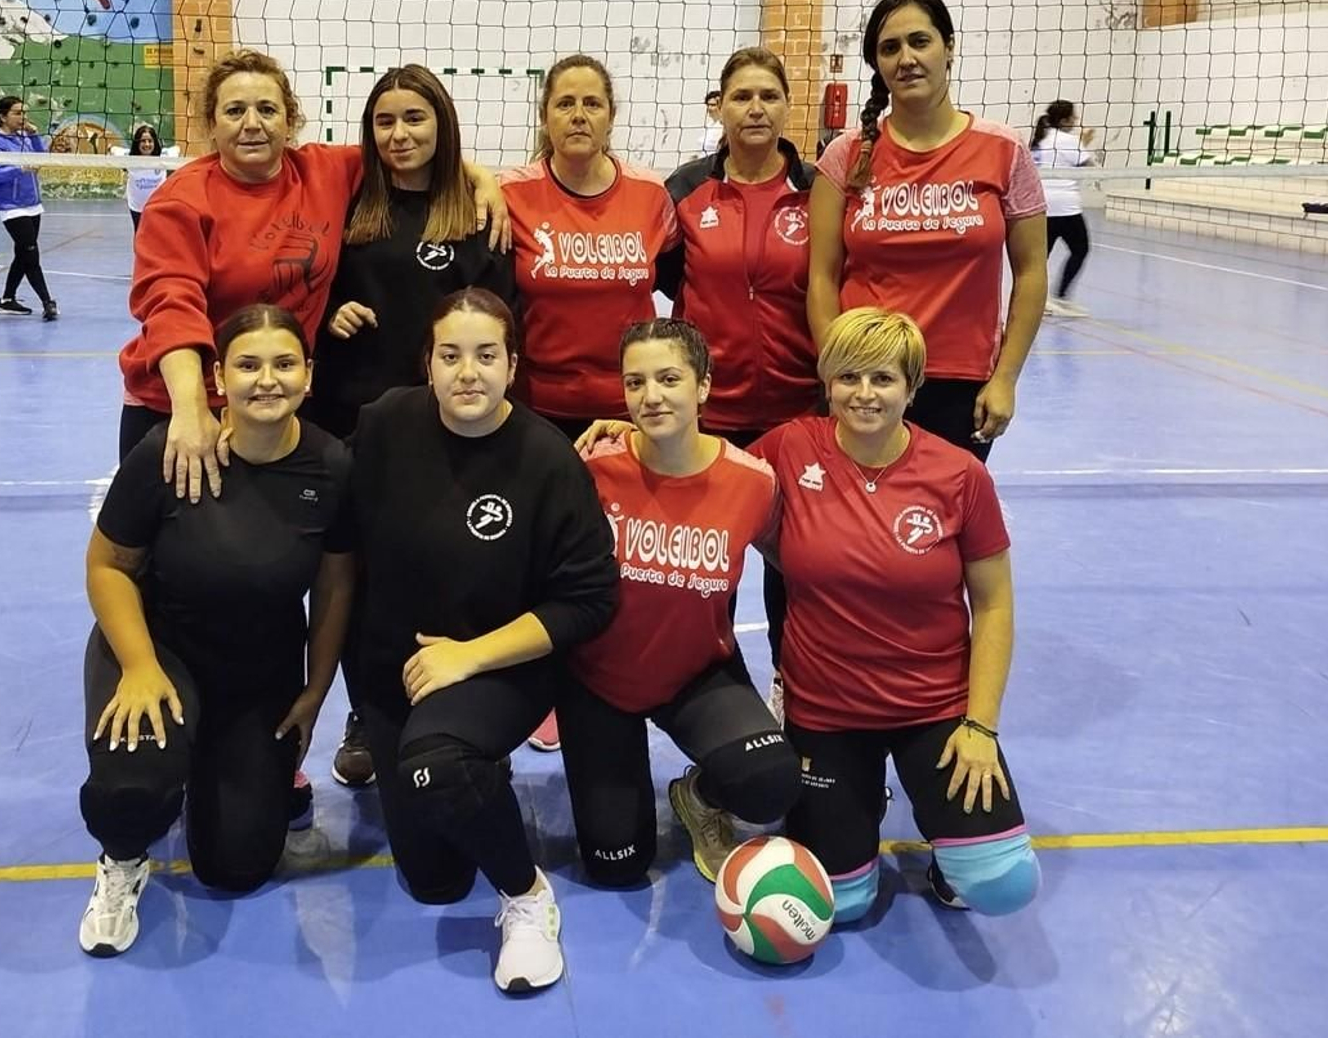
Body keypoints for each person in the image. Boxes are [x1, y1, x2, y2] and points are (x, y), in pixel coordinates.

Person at [348, 288, 617, 994]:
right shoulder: (383, 427)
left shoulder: (547, 460)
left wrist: (468, 655)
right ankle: (465, 769)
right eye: (451, 355)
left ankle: (527, 897)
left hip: (501, 665)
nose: (468, 372)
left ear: (513, 364)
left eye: (486, 355)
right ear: (427, 365)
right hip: (393, 671)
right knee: (435, 881)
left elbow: (588, 602)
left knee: (436, 766)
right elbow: (333, 531)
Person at [77, 304, 354, 957]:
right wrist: (140, 665)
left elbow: (336, 585)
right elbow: (107, 566)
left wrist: (316, 690)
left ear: (308, 376)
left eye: (284, 364)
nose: (267, 380)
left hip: (257, 672)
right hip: (160, 649)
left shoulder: (332, 468)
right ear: (218, 378)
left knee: (237, 867)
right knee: (135, 785)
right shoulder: (168, 451)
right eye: (248, 365)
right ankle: (122, 859)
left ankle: (206, 760)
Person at [750, 307, 1039, 923]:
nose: (863, 394)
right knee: (841, 905)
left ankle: (948, 838)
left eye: (882, 378)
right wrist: (626, 432)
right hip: (827, 713)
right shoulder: (789, 447)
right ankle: (860, 797)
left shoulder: (960, 475)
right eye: (847, 377)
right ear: (827, 383)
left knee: (1002, 884)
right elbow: (704, 473)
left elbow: (994, 604)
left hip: (932, 707)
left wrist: (981, 727)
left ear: (912, 388)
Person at [118, 48, 509, 502]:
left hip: (275, 403)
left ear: (290, 121)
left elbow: (410, 149)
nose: (252, 123)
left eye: (266, 109)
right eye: (234, 110)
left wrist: (483, 179)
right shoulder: (180, 203)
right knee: (170, 557)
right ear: (211, 123)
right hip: (180, 403)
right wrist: (190, 410)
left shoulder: (324, 171)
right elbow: (171, 306)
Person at [311, 64, 516, 789]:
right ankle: (366, 710)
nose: (400, 134)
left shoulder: (477, 212)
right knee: (359, 577)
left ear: (443, 125)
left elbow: (500, 318)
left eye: (415, 119)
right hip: (351, 421)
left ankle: (452, 697)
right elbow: (312, 280)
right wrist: (327, 311)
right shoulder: (345, 199)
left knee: (444, 567)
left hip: (448, 426)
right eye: (385, 121)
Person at [562, 318, 799, 887]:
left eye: (669, 378)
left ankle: (697, 795)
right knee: (616, 864)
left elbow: (799, 569)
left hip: (697, 674)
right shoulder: (589, 469)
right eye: (635, 382)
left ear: (704, 386)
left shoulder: (754, 483)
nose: (651, 396)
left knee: (768, 782)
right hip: (597, 682)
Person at [500, 53, 678, 751]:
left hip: (629, 410)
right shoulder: (510, 194)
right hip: (540, 408)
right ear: (544, 117)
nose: (578, 115)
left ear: (611, 115)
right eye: (564, 103)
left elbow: (680, 288)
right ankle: (543, 683)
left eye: (591, 103)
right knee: (541, 554)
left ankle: (612, 678)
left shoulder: (651, 197)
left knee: (620, 558)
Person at [807, 0, 1048, 461]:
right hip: (866, 382)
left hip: (961, 383)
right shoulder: (846, 156)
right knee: (856, 527)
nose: (907, 59)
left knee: (940, 528)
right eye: (890, 48)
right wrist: (837, 373)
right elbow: (821, 276)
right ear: (876, 63)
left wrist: (1005, 378)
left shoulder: (1004, 151)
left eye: (920, 42)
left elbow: (1032, 272)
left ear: (949, 47)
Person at [660, 47, 821, 715]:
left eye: (768, 96)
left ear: (787, 106)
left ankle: (796, 692)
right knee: (710, 566)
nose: (755, 108)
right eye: (741, 96)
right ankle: (711, 697)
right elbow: (671, 278)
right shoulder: (687, 189)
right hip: (714, 413)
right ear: (719, 107)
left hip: (797, 413)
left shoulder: (819, 189)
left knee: (796, 566)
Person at [0, 95, 58, 321]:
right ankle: (47, 301)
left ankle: (6, 300)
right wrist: (19, 168)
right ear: (2, 117)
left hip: (33, 204)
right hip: (11, 206)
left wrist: (34, 134)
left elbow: (42, 159)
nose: (22, 117)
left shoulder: (24, 136)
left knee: (22, 253)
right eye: (17, 113)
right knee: (31, 253)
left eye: (24, 112)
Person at [1030, 100, 1098, 318]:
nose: (1076, 120)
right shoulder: (1069, 141)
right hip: (1065, 207)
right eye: (1073, 117)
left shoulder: (1041, 139)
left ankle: (1038, 301)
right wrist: (1084, 143)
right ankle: (1059, 297)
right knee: (1080, 249)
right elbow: (1089, 166)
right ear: (1065, 120)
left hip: (1041, 206)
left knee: (1039, 258)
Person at [110, 124, 180, 235]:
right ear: (138, 143)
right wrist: (111, 150)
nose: (147, 144)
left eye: (150, 141)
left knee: (158, 236)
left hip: (158, 206)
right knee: (140, 236)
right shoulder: (129, 158)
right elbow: (114, 149)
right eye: (143, 141)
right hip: (137, 207)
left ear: (154, 142)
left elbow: (176, 149)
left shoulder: (164, 157)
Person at [697, 89, 724, 155]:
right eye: (708, 105)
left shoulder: (724, 127)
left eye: (713, 105)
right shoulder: (709, 125)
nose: (709, 108)